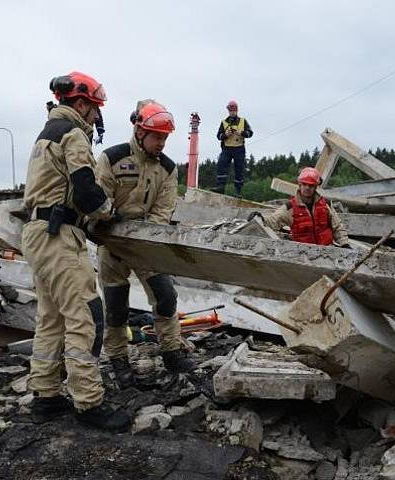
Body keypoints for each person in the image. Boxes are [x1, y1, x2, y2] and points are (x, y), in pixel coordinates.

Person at [22, 71, 131, 431]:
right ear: (81, 104)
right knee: (86, 315)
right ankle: (89, 403)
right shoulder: (73, 135)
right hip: (59, 234)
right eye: (96, 109)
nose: (97, 117)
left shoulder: (45, 135)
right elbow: (86, 192)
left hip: (38, 232)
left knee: (51, 317)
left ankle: (46, 396)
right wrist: (107, 212)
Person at [95, 99, 195, 389]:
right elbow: (102, 198)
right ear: (140, 132)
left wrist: (149, 236)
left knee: (165, 296)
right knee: (115, 306)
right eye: (157, 137)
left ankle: (171, 352)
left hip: (147, 244)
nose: (161, 143)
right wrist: (110, 227)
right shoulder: (112, 158)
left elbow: (164, 209)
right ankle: (118, 359)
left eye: (165, 138)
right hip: (112, 242)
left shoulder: (166, 168)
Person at [256, 167, 351, 247]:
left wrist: (344, 244)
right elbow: (272, 222)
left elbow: (337, 226)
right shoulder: (290, 208)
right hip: (303, 255)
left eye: (311, 185)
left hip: (326, 253)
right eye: (304, 184)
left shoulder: (325, 205)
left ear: (316, 187)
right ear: (299, 185)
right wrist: (260, 218)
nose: (307, 188)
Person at [213, 100, 253, 196]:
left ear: (237, 110)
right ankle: (220, 187)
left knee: (239, 169)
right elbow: (218, 136)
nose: (232, 112)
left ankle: (237, 191)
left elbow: (250, 133)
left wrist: (242, 133)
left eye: (234, 110)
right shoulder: (224, 122)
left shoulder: (243, 121)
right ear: (228, 111)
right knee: (221, 164)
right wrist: (225, 135)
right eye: (230, 110)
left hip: (239, 149)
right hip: (227, 149)